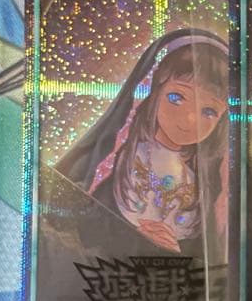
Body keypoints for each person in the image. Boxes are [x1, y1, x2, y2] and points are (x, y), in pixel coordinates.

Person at [55, 28, 228, 261]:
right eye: (177, 98)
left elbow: (209, 260)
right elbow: (75, 226)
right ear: (156, 90)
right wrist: (134, 238)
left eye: (208, 111)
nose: (189, 120)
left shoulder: (207, 183)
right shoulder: (117, 156)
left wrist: (173, 252)